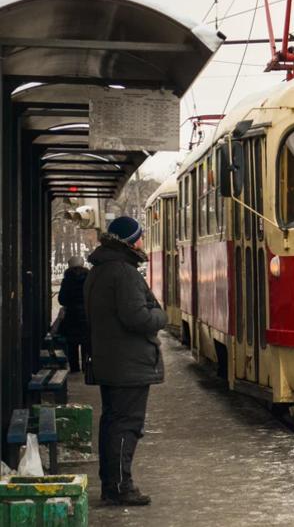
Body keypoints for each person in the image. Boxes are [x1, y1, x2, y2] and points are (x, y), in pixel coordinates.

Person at [85, 216, 166, 506]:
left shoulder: (100, 270)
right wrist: (161, 315)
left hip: (112, 361)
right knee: (126, 425)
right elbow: (139, 317)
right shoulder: (125, 273)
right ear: (131, 241)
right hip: (128, 364)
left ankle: (112, 484)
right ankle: (120, 487)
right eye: (140, 237)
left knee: (113, 423)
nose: (143, 242)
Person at [57, 256, 90, 373]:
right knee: (86, 342)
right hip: (86, 315)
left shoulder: (67, 279)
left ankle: (75, 367)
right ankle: (87, 367)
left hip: (71, 316)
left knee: (72, 343)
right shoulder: (89, 278)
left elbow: (62, 299)